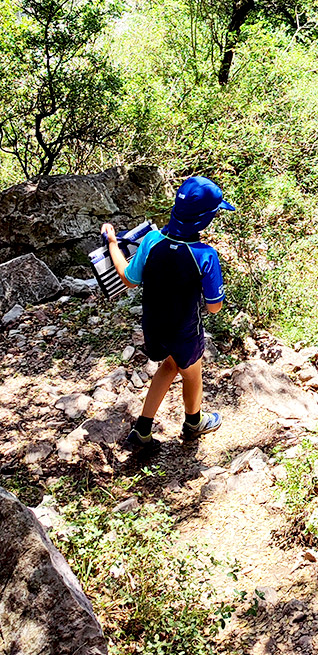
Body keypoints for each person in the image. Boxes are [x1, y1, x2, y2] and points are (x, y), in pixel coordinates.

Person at [101, 175, 235, 451]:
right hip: (185, 329)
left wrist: (113, 243)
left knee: (170, 365)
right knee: (192, 373)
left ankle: (142, 429)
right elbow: (214, 306)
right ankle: (194, 422)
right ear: (205, 219)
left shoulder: (151, 240)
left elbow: (128, 277)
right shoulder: (205, 255)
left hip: (154, 325)